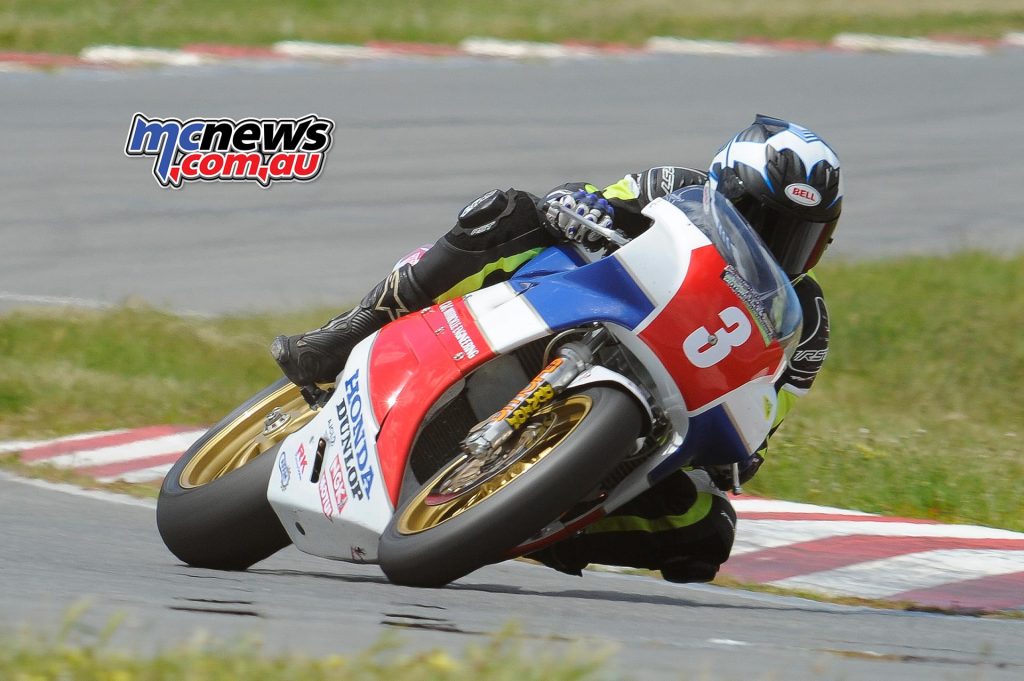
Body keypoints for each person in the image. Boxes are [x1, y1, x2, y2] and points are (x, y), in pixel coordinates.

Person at [271, 114, 841, 582]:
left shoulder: (805, 322)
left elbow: (768, 409)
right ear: (723, 189)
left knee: (706, 532)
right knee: (508, 210)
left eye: (800, 235)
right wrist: (582, 208)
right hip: (573, 297)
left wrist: (742, 453)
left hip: (659, 400)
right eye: (762, 220)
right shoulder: (673, 187)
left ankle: (529, 523)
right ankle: (352, 328)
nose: (775, 244)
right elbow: (587, 198)